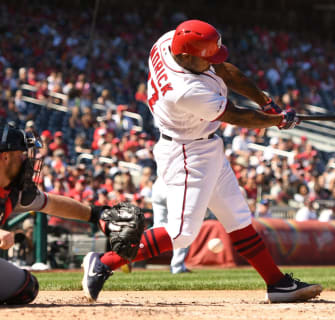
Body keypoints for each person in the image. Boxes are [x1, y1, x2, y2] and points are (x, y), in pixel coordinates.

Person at [82, 19, 322, 303]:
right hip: (186, 153)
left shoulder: (170, 40)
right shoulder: (185, 90)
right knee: (182, 233)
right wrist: (276, 121)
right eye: (205, 57)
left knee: (238, 218)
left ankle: (277, 283)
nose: (212, 63)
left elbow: (223, 69)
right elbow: (236, 116)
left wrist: (265, 102)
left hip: (205, 146)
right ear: (185, 56)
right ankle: (104, 262)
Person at [0, 124, 125, 305]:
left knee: (27, 288)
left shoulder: (13, 191)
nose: (25, 160)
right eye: (21, 154)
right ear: (5, 156)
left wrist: (95, 214)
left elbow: (52, 204)